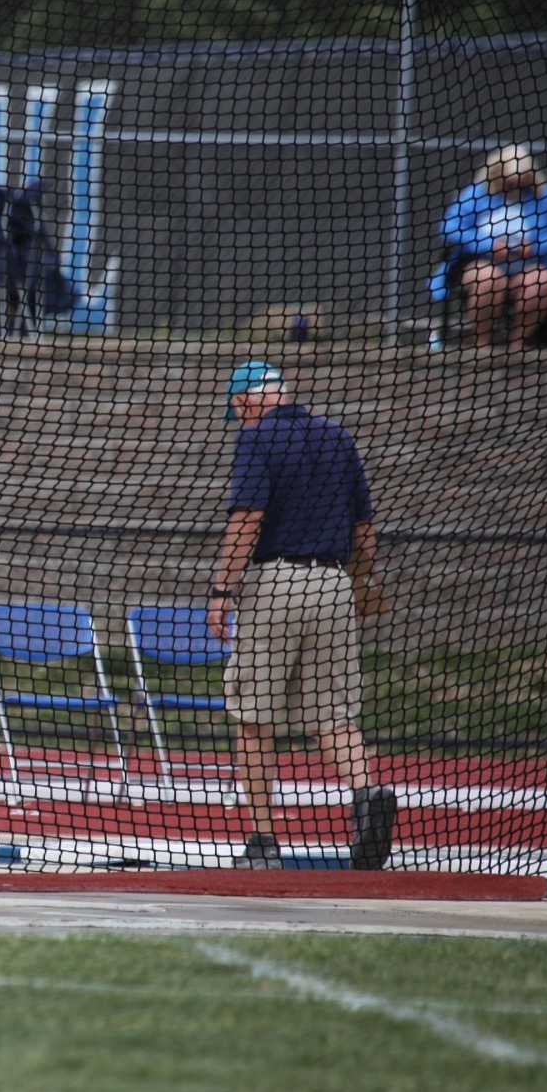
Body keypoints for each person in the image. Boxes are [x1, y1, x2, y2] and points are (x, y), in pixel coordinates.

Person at [207, 361, 395, 871]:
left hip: (274, 584)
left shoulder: (255, 440)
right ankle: (366, 794)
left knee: (253, 718)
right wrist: (357, 591)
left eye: (238, 410)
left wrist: (222, 589)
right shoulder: (339, 437)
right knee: (332, 715)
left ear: (247, 401)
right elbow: (365, 531)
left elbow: (247, 519)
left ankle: (264, 840)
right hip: (335, 584)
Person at [438, 145, 547, 350]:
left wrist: (535, 247)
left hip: (530, 265)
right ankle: (481, 345)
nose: (515, 191)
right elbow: (448, 228)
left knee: (541, 281)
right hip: (482, 263)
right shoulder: (477, 193)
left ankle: (517, 345)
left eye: (521, 185)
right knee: (488, 279)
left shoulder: (543, 196)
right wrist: (489, 246)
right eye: (510, 185)